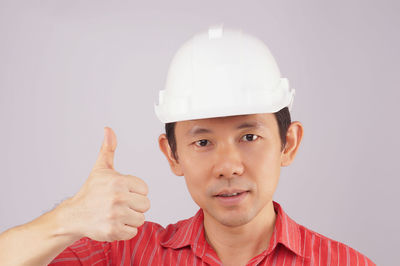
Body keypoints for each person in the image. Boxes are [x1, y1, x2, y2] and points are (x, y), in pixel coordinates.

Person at [0, 25, 375, 266]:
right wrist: (69, 218)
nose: (228, 166)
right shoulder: (122, 254)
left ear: (288, 144)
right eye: (202, 141)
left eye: (249, 137)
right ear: (172, 154)